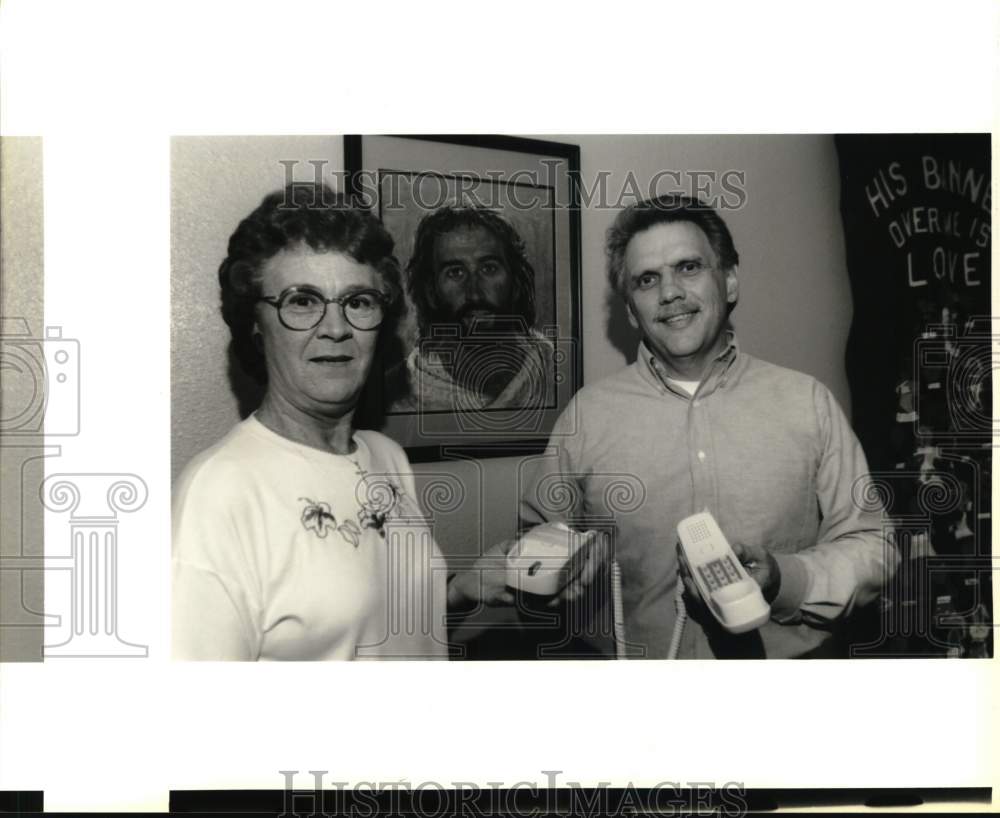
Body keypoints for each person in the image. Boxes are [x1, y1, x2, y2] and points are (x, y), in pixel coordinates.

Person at [172, 183, 580, 660]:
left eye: (358, 301)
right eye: (302, 301)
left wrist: (461, 588)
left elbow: (387, 635)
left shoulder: (384, 456)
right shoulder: (220, 491)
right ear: (254, 324)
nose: (336, 327)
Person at [520, 194, 899, 659]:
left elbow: (874, 546)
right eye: (647, 280)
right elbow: (535, 555)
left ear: (731, 281)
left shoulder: (807, 402)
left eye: (689, 267)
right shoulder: (585, 418)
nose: (670, 293)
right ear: (630, 311)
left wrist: (784, 578)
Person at [387, 206, 554, 414]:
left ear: (515, 281)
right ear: (430, 290)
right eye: (455, 272)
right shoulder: (398, 392)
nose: (474, 293)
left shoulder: (551, 365)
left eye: (489, 268)